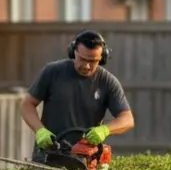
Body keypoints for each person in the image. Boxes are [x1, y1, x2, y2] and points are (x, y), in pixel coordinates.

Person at [20, 30, 135, 162]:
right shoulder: (52, 72)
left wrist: (105, 130)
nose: (86, 66)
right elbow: (27, 105)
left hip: (85, 159)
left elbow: (127, 119)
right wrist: (39, 130)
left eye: (93, 61)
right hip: (48, 155)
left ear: (102, 58)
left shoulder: (107, 82)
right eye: (82, 59)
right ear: (73, 52)